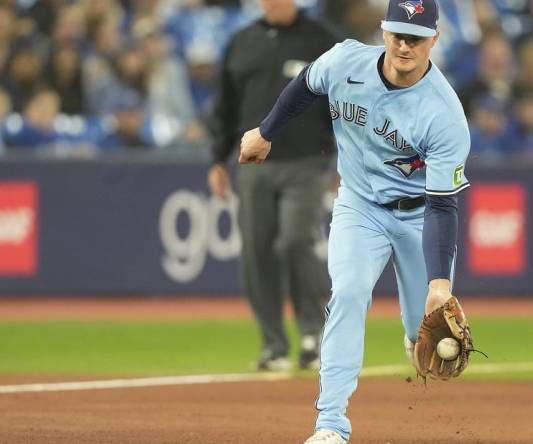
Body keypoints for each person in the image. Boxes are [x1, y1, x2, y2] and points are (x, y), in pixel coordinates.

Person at [237, 1, 470, 442]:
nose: (404, 45)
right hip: (359, 207)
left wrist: (439, 284)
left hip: (420, 216)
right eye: (398, 33)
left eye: (416, 37)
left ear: (434, 40)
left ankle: (410, 330)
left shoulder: (444, 115)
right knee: (347, 293)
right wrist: (266, 132)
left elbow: (442, 206)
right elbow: (304, 85)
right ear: (383, 31)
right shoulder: (346, 61)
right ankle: (330, 425)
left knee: (424, 338)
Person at [208, 0, 338, 371]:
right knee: (256, 251)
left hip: (307, 162)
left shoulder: (323, 39)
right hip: (253, 163)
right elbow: (225, 107)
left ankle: (312, 336)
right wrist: (217, 159)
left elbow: (345, 99)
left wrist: (343, 155)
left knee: (296, 240)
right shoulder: (241, 41)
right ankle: (273, 344)